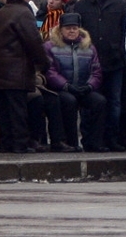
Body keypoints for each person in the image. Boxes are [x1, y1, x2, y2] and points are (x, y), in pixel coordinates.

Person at [0, 0, 50, 154]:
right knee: (18, 111)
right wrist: (44, 63)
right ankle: (19, 144)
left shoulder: (1, 12)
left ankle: (6, 144)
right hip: (17, 71)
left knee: (4, 111)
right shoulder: (24, 13)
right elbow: (33, 41)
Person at [73, 0, 126, 151]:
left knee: (114, 103)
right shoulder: (80, 6)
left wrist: (119, 50)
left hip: (114, 62)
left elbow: (125, 32)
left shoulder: (119, 5)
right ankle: (91, 139)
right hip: (90, 64)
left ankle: (112, 139)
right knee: (91, 103)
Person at [44, 12, 106, 152]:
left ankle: (94, 142)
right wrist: (66, 85)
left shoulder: (89, 47)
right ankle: (70, 142)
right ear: (61, 29)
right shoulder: (50, 46)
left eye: (74, 28)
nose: (71, 31)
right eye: (68, 28)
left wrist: (90, 86)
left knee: (99, 101)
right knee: (68, 101)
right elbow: (50, 72)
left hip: (84, 87)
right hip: (61, 89)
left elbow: (96, 71)